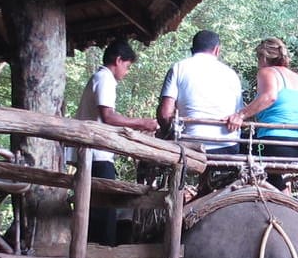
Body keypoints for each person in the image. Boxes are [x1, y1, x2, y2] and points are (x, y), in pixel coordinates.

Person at [75, 39, 158, 243]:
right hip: (97, 155)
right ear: (119, 60)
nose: (126, 72)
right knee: (104, 211)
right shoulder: (105, 78)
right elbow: (108, 117)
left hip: (92, 154)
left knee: (96, 208)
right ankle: (102, 253)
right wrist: (142, 123)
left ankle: (93, 249)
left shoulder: (99, 78)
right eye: (127, 67)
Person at [227, 37, 298, 188]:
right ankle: (282, 191)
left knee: (234, 143)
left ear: (263, 57)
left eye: (258, 58)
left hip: (273, 145)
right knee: (261, 157)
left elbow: (270, 97)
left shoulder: (267, 72)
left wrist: (240, 115)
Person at [158, 30, 244, 159]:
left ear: (192, 50)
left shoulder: (178, 68)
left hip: (188, 146)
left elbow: (165, 114)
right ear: (217, 50)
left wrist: (166, 133)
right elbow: (238, 113)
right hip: (227, 146)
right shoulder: (232, 74)